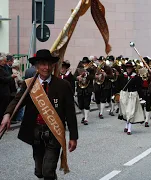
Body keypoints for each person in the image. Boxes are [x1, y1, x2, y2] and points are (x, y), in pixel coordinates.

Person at [0, 49, 78, 180]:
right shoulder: (30, 84)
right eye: (42, 64)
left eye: (48, 64)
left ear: (53, 65)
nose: (46, 67)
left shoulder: (63, 85)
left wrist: (73, 137)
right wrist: (7, 114)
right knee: (39, 171)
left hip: (54, 133)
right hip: (35, 133)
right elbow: (17, 100)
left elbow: (70, 112)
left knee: (48, 171)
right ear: (36, 66)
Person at [118, 61, 144, 135]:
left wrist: (141, 97)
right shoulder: (121, 76)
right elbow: (118, 85)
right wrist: (116, 94)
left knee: (130, 111)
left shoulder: (137, 77)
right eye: (127, 68)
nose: (128, 69)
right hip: (124, 94)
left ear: (132, 69)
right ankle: (126, 125)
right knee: (125, 112)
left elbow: (139, 87)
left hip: (133, 95)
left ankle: (129, 128)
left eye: (130, 68)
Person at [74, 57, 95, 125]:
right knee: (80, 105)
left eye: (86, 63)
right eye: (83, 63)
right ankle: (84, 116)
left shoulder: (91, 69)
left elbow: (93, 77)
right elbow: (74, 77)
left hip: (88, 88)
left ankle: (86, 118)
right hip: (80, 89)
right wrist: (77, 77)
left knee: (86, 104)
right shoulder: (78, 69)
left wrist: (87, 75)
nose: (84, 64)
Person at [0, 55, 17, 123]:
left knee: (5, 105)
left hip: (6, 90)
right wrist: (11, 77)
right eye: (4, 61)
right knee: (2, 106)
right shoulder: (1, 69)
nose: (5, 62)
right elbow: (3, 79)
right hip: (2, 91)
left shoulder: (4, 68)